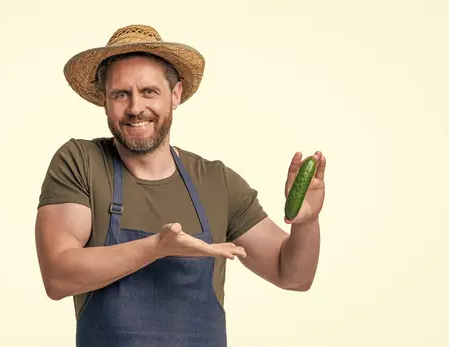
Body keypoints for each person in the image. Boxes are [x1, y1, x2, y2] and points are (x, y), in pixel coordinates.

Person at [34, 24, 326, 347]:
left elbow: (294, 275)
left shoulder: (216, 182)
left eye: (149, 92)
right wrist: (157, 248)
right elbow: (57, 275)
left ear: (175, 95)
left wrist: (307, 224)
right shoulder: (81, 163)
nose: (135, 108)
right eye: (121, 94)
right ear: (104, 100)